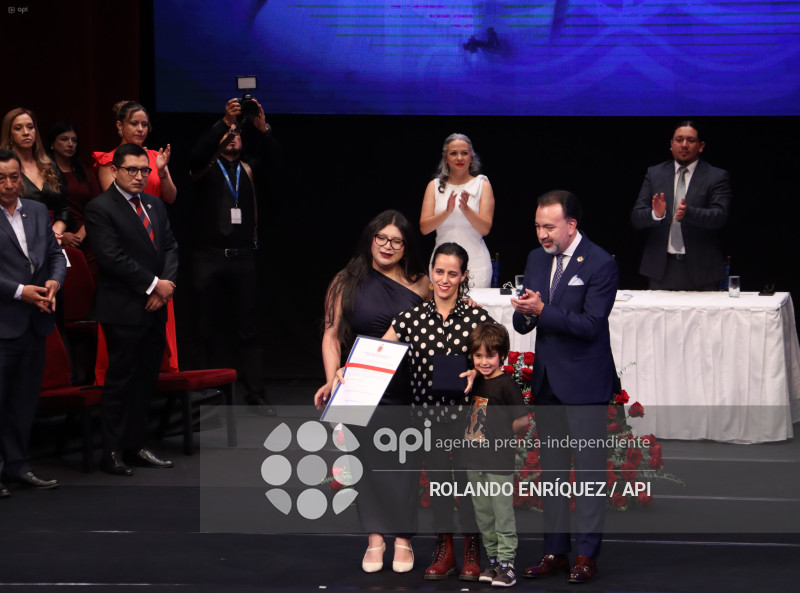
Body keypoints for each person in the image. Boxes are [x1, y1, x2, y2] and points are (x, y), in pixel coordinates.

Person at [314, 209, 430, 574]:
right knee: (366, 466)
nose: (387, 246)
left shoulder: (421, 283)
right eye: (381, 238)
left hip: (408, 388)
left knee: (405, 468)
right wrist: (332, 379)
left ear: (406, 246)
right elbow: (331, 335)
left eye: (396, 241)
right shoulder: (345, 280)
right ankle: (375, 540)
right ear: (371, 238)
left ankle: (404, 541)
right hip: (361, 387)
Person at [511, 190, 618, 584]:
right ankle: (555, 550)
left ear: (571, 225)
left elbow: (591, 326)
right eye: (538, 225)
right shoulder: (537, 259)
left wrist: (544, 311)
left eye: (549, 226)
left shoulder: (601, 263)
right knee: (553, 472)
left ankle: (587, 556)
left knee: (589, 473)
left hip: (585, 384)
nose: (542, 233)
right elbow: (528, 323)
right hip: (548, 384)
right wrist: (524, 314)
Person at [382, 242, 494, 581]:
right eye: (440, 271)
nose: (445, 279)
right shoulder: (410, 318)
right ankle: (445, 550)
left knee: (472, 485)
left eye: (453, 273)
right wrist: (346, 372)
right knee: (440, 486)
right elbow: (377, 353)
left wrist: (479, 370)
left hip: (470, 418)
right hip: (428, 419)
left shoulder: (476, 317)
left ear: (463, 276)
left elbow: (495, 359)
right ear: (431, 274)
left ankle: (473, 549)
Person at [84, 143, 179, 476]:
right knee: (120, 380)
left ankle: (136, 444)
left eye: (145, 171)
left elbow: (169, 246)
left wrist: (163, 288)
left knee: (146, 380)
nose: (140, 177)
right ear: (115, 170)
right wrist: (153, 285)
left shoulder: (154, 204)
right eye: (132, 170)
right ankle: (111, 450)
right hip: (123, 308)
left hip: (155, 307)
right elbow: (112, 259)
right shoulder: (100, 208)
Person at [188, 98, 279, 416]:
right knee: (203, 327)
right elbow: (197, 154)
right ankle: (203, 395)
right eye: (228, 133)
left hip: (243, 257)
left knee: (249, 329)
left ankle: (255, 393)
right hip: (207, 256)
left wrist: (261, 128)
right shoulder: (205, 169)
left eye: (237, 133)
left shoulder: (249, 168)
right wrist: (224, 123)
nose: (232, 136)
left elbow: (276, 162)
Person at [0, 149, 66, 496]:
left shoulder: (37, 210)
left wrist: (55, 281)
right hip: (4, 321)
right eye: (1, 178)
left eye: (14, 177)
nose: (9, 185)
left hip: (35, 321)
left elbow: (55, 255)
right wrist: (20, 291)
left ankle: (18, 465)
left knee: (25, 400)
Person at [463, 322, 529, 587]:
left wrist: (503, 433)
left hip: (498, 460)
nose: (484, 361)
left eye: (490, 355)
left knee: (502, 513)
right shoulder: (475, 381)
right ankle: (492, 561)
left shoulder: (506, 385)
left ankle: (507, 564)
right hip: (475, 460)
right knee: (483, 513)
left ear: (502, 355)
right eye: (478, 356)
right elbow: (475, 422)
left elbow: (522, 420)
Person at [631, 120, 732, 290]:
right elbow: (636, 218)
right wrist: (657, 215)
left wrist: (689, 213)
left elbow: (720, 216)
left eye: (690, 140)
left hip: (703, 271)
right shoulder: (654, 173)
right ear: (671, 144)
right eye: (679, 140)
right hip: (661, 270)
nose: (684, 145)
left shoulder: (716, 176)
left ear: (701, 146)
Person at [420, 133, 495, 288]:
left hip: (476, 264)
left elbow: (485, 228)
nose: (459, 158)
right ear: (446, 158)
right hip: (442, 263)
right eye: (453, 153)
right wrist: (447, 211)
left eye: (464, 153)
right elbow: (424, 228)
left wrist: (466, 209)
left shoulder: (482, 184)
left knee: (474, 311)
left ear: (471, 157)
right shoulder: (433, 186)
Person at [1, 108, 70, 242]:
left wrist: (55, 233)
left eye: (30, 127)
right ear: (9, 134)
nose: (26, 133)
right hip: (16, 239)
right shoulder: (3, 169)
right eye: (18, 128)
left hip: (53, 239)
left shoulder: (49, 166)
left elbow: (64, 209)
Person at [93, 101, 177, 203]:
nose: (140, 129)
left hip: (154, 217)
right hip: (125, 217)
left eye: (144, 124)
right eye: (134, 123)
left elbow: (171, 198)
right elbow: (115, 201)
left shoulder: (156, 157)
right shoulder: (109, 160)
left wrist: (162, 172)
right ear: (120, 125)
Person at [46, 121, 102, 274]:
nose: (70, 144)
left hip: (87, 237)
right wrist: (61, 236)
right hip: (55, 240)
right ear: (52, 143)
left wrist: (80, 235)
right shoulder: (45, 173)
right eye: (64, 139)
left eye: (74, 140)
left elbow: (97, 207)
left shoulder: (86, 172)